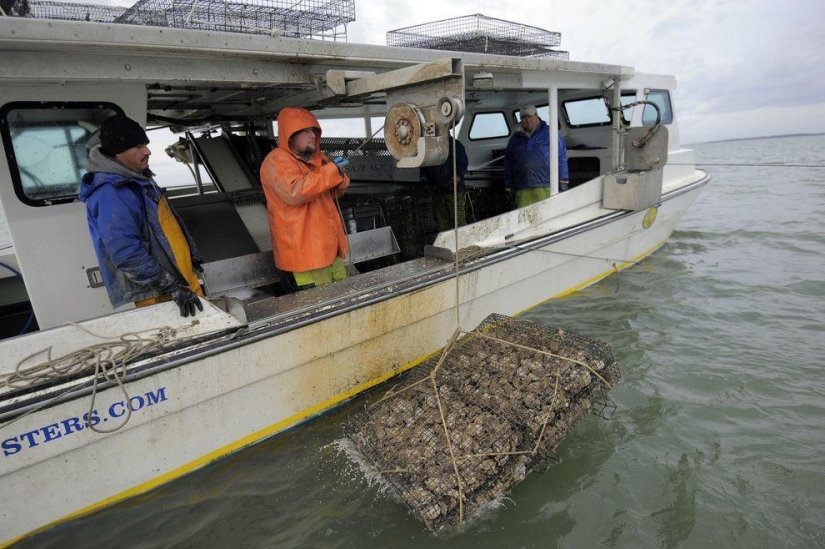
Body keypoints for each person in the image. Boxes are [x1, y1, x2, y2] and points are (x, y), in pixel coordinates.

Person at [78, 114, 204, 317]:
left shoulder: (138, 180)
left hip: (183, 282)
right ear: (118, 152)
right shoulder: (112, 192)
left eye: (145, 144)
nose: (148, 151)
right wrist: (171, 287)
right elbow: (125, 253)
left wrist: (191, 259)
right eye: (138, 147)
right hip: (163, 295)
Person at [260, 107, 350, 289]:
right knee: (318, 310)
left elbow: (336, 191)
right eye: (305, 131)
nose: (312, 136)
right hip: (304, 259)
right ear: (290, 135)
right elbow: (296, 191)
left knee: (344, 302)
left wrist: (340, 176)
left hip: (331, 252)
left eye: (314, 130)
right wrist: (332, 170)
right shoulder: (276, 161)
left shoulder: (319, 158)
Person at [504, 104, 569, 208]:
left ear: (536, 115)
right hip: (523, 187)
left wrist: (563, 181)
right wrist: (508, 186)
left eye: (530, 117)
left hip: (546, 186)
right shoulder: (514, 139)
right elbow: (508, 164)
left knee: (548, 215)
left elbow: (561, 157)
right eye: (524, 118)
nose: (527, 120)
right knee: (523, 219)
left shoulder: (550, 132)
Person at [421, 135, 469, 231]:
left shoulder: (456, 146)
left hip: (454, 192)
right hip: (438, 192)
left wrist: (454, 180)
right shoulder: (430, 148)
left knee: (458, 224)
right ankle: (447, 245)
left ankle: (461, 245)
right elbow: (424, 166)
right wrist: (424, 181)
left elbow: (462, 166)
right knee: (442, 224)